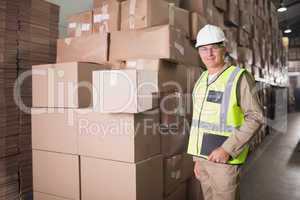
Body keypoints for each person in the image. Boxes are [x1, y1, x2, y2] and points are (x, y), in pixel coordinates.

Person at [187, 24, 264, 200]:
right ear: (199, 51)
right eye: (204, 49)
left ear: (224, 49)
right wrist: (197, 160)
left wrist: (227, 149)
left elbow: (256, 117)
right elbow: (199, 122)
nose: (209, 53)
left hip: (224, 159)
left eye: (214, 47)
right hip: (203, 159)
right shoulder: (201, 79)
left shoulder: (239, 77)